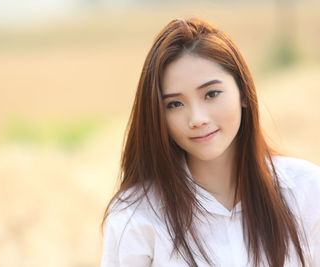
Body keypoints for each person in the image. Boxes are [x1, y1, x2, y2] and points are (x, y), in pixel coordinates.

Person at [100, 17, 320, 267]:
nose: (197, 119)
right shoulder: (137, 216)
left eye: (211, 94)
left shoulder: (306, 191)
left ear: (244, 93)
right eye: (175, 104)